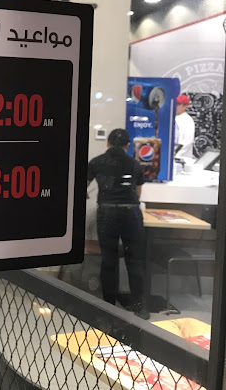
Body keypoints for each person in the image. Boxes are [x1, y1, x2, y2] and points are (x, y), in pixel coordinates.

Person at [87, 128, 147, 318]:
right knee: (134, 260)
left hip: (107, 213)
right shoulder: (135, 164)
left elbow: (82, 187)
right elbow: (138, 193)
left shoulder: (96, 162)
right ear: (127, 145)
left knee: (109, 260)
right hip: (131, 214)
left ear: (107, 143)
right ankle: (139, 307)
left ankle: (109, 307)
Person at [175, 94, 195, 162]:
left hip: (182, 158)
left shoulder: (188, 120)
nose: (175, 106)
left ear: (185, 106)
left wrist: (176, 153)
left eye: (178, 104)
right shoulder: (169, 117)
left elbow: (188, 141)